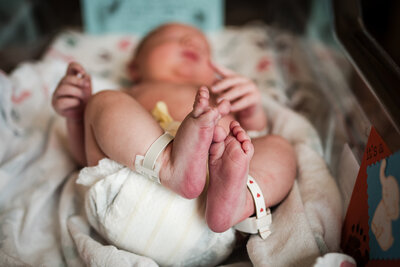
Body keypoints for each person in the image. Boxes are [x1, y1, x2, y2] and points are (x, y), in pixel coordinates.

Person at [52, 23, 296, 234]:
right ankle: (167, 163)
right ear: (134, 68)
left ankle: (240, 203)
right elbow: (88, 157)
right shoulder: (130, 95)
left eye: (205, 49)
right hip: (135, 191)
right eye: (171, 38)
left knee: (279, 146)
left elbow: (254, 140)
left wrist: (252, 110)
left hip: (217, 208)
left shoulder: (220, 97)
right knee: (103, 101)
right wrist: (77, 117)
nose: (192, 43)